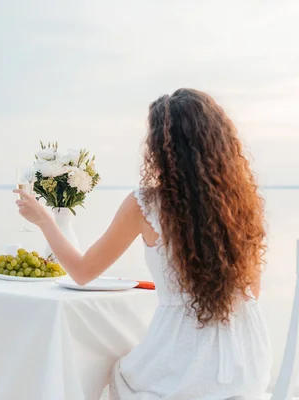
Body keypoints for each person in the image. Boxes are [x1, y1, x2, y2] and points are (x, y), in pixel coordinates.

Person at [15, 88, 272, 399]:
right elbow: (252, 292)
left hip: (188, 369)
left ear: (163, 148)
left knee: (113, 372)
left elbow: (82, 272)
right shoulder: (242, 203)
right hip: (247, 365)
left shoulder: (147, 204)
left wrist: (45, 220)